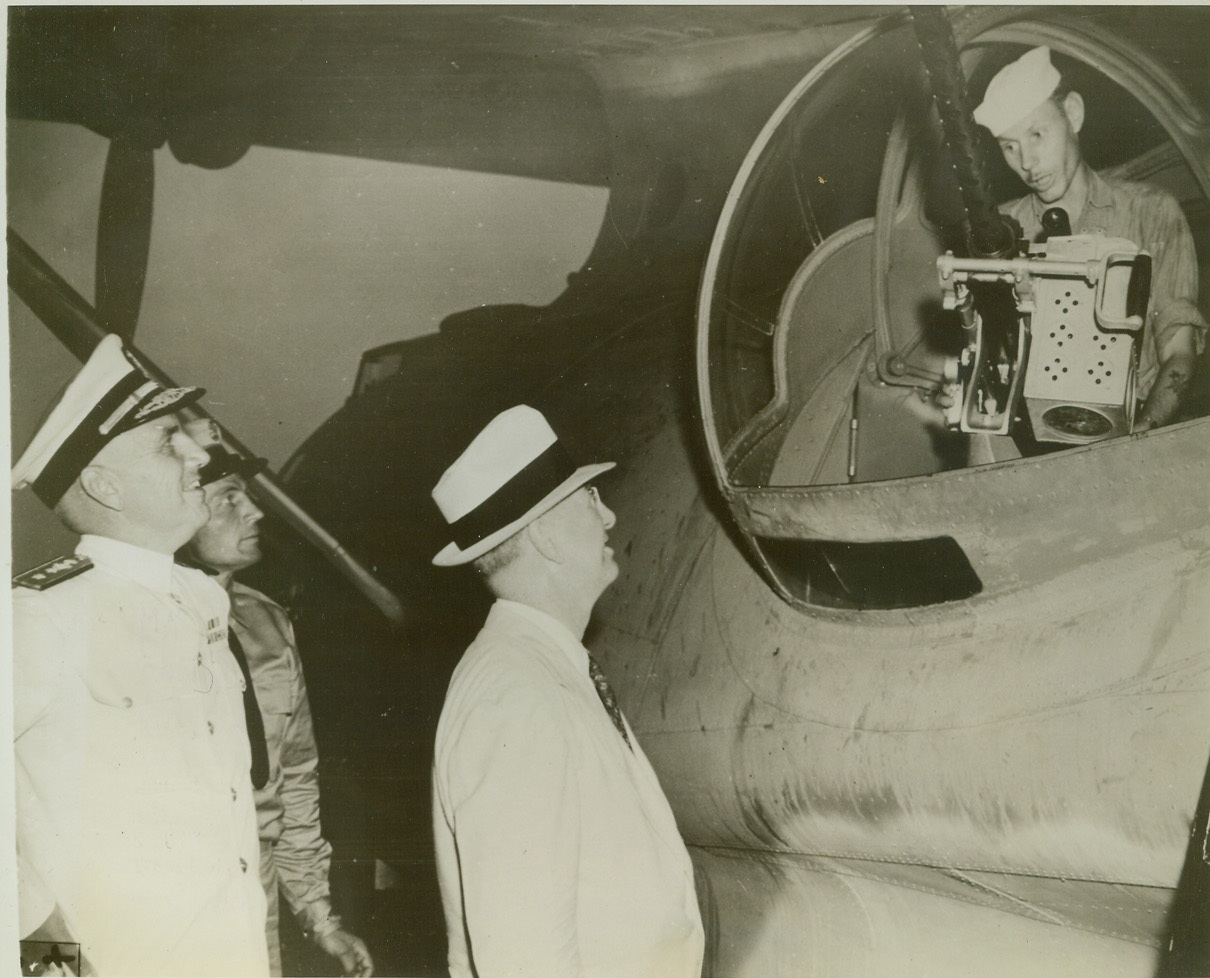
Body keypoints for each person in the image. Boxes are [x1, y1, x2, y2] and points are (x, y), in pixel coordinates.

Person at [10, 334, 269, 976]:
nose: (195, 457)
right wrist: (46, 952)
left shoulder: (200, 598)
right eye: (167, 443)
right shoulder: (38, 615)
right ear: (105, 486)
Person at [429, 404, 704, 978]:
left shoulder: (541, 669)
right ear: (547, 537)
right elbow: (524, 959)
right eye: (590, 501)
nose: (608, 518)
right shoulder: (515, 697)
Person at [178, 418, 374, 978]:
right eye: (229, 500)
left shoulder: (267, 625)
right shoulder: (130, 626)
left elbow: (294, 778)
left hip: (255, 896)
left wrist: (320, 918)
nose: (257, 513)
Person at [974, 45, 1206, 430]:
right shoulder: (1001, 232)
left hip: (1137, 422)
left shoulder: (1152, 213)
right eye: (1009, 147)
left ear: (1074, 114)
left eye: (1036, 135)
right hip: (1031, 431)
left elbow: (1179, 353)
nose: (1027, 163)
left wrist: (1139, 436)